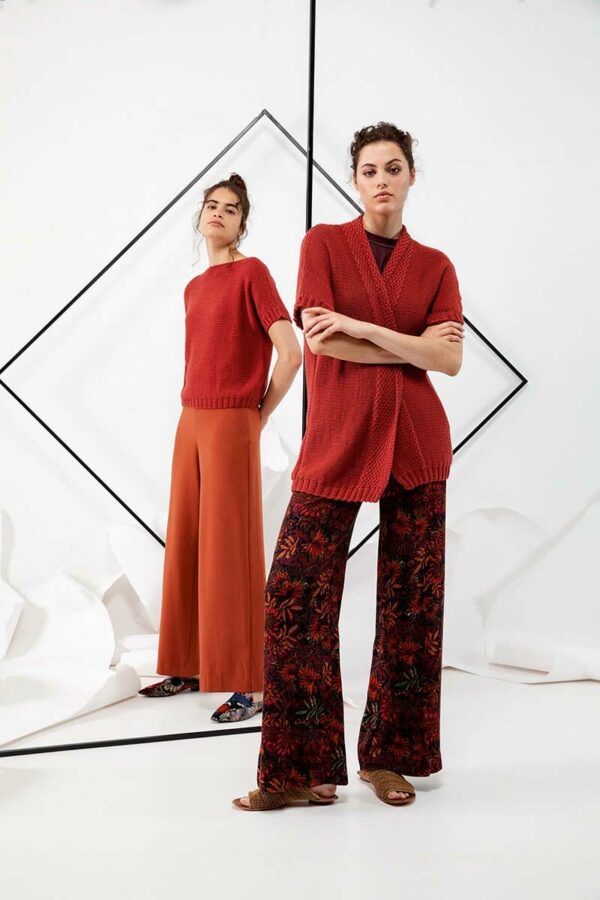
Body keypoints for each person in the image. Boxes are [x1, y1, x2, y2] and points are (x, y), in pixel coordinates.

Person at [234, 122, 464, 809]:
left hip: (417, 444)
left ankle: (390, 759)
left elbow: (449, 360)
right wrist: (410, 343)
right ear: (355, 179)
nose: (382, 180)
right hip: (337, 438)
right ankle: (298, 771)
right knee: (293, 595)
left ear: (411, 176)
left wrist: (362, 327)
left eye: (394, 168)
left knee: (411, 609)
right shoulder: (324, 245)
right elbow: (322, 344)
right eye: (370, 170)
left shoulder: (437, 266)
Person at [140, 173, 302, 723]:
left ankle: (249, 684)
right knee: (186, 538)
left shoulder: (251, 273)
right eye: (212, 205)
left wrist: (259, 414)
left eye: (231, 208)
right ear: (200, 215)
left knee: (230, 548)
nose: (218, 213)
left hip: (233, 419)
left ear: (242, 223)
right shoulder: (194, 287)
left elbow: (291, 353)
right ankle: (188, 666)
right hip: (190, 418)